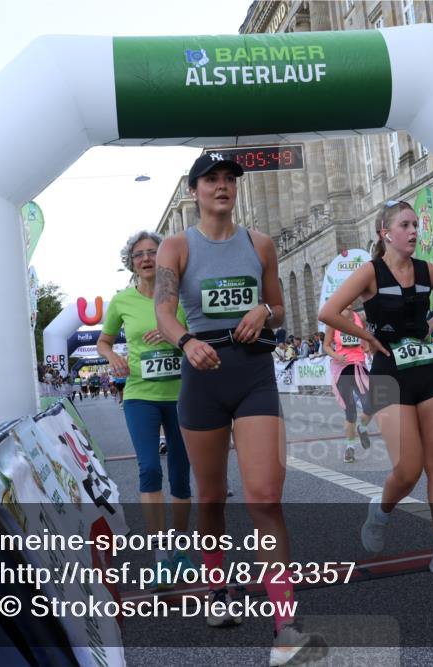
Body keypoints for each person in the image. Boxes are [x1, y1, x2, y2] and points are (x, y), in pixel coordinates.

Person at [154, 152, 324, 664]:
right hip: (201, 372)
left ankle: (285, 626)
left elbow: (278, 310)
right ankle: (218, 588)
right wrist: (185, 341)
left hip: (253, 373)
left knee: (266, 496)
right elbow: (163, 309)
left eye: (230, 179)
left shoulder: (261, 243)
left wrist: (264, 311)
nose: (223, 187)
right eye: (212, 180)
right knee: (211, 498)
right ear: (195, 190)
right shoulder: (177, 245)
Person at [318, 198, 433, 582]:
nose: (412, 231)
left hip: (428, 373)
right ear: (384, 233)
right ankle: (380, 510)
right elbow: (328, 313)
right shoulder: (370, 272)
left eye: (414, 225)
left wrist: (430, 326)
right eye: (404, 225)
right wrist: (367, 339)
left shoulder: (426, 270)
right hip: (389, 376)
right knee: (407, 470)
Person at [99, 230, 195, 588]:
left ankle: (182, 552)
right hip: (140, 393)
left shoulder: (181, 294)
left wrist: (174, 330)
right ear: (131, 263)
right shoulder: (122, 300)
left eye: (153, 252)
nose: (146, 258)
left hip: (182, 393)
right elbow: (104, 341)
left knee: (182, 474)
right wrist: (113, 358)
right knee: (150, 470)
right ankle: (159, 556)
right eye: (138, 254)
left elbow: (197, 332)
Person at [322, 306, 373, 463]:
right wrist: (337, 356)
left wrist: (368, 349)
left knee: (371, 404)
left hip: (359, 365)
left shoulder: (359, 318)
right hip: (343, 368)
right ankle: (350, 448)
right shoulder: (332, 320)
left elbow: (364, 339)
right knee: (350, 410)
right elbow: (326, 345)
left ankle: (362, 428)